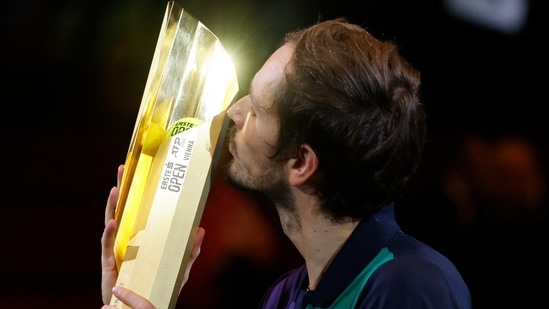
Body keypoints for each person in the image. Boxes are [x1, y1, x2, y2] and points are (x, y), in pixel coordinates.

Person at [101, 18, 472, 308]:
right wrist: (131, 292)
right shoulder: (282, 297)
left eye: (258, 109)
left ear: (301, 162)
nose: (235, 110)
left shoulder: (413, 287)